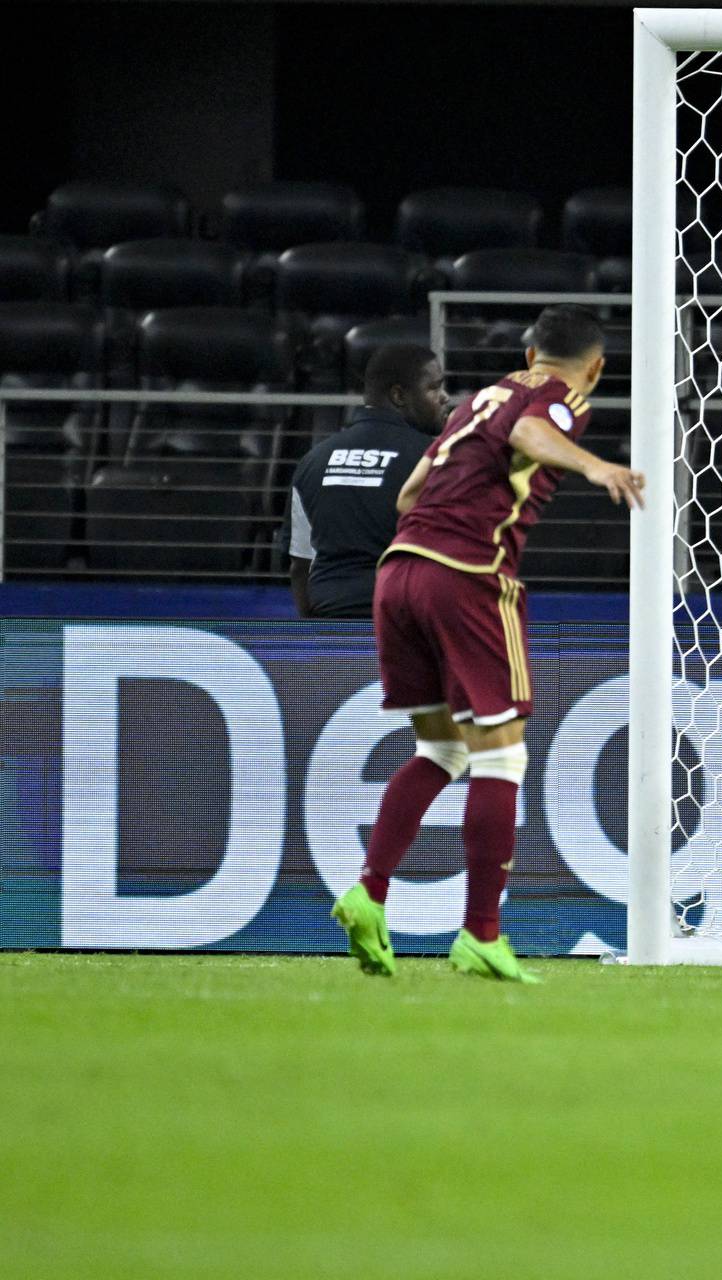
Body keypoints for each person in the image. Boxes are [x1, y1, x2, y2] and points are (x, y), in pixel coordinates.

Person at [330, 304, 645, 982]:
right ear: (596, 366)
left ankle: (368, 890)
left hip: (398, 572)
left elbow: (410, 492)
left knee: (440, 748)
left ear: (530, 350)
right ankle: (480, 934)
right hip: (466, 576)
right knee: (501, 760)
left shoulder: (478, 399)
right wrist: (593, 468)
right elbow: (534, 432)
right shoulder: (560, 397)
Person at [285, 344, 448, 618]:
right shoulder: (432, 460)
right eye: (434, 388)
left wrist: (313, 631)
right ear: (398, 395)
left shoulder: (313, 460)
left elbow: (300, 565)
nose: (445, 398)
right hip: (404, 626)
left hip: (332, 625)